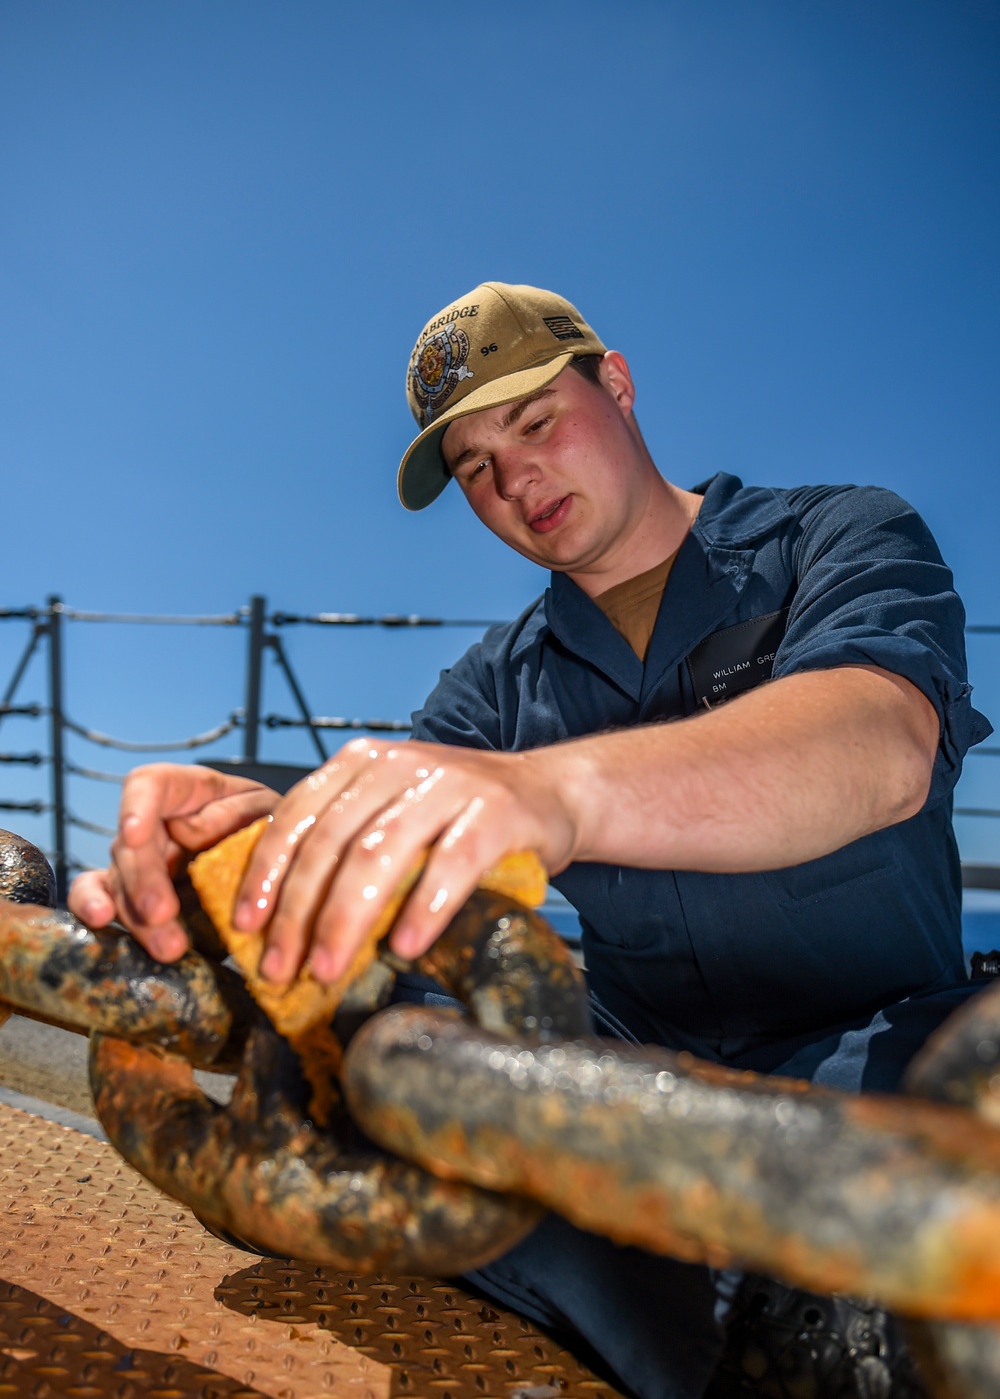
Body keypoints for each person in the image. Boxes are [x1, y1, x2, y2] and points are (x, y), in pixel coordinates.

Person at [70, 283, 992, 1399]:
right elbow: (403, 818)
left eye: (536, 422)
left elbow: (878, 736)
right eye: (473, 468)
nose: (514, 481)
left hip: (872, 1047)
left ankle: (634, 1280)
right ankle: (732, 1312)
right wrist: (248, 824)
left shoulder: (839, 535)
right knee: (370, 1037)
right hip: (621, 1054)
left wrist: (551, 792)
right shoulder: (498, 681)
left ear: (617, 383)